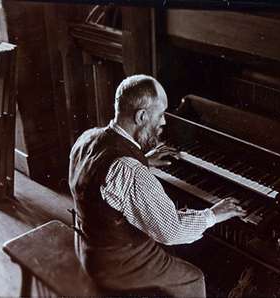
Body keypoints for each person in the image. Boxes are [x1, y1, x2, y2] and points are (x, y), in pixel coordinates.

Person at [68, 74, 246, 297]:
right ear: (141, 116)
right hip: (113, 267)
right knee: (194, 277)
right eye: (160, 115)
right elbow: (172, 232)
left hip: (88, 246)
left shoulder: (87, 138)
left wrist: (143, 158)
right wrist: (213, 214)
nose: (164, 122)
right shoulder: (130, 171)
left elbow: (101, 174)